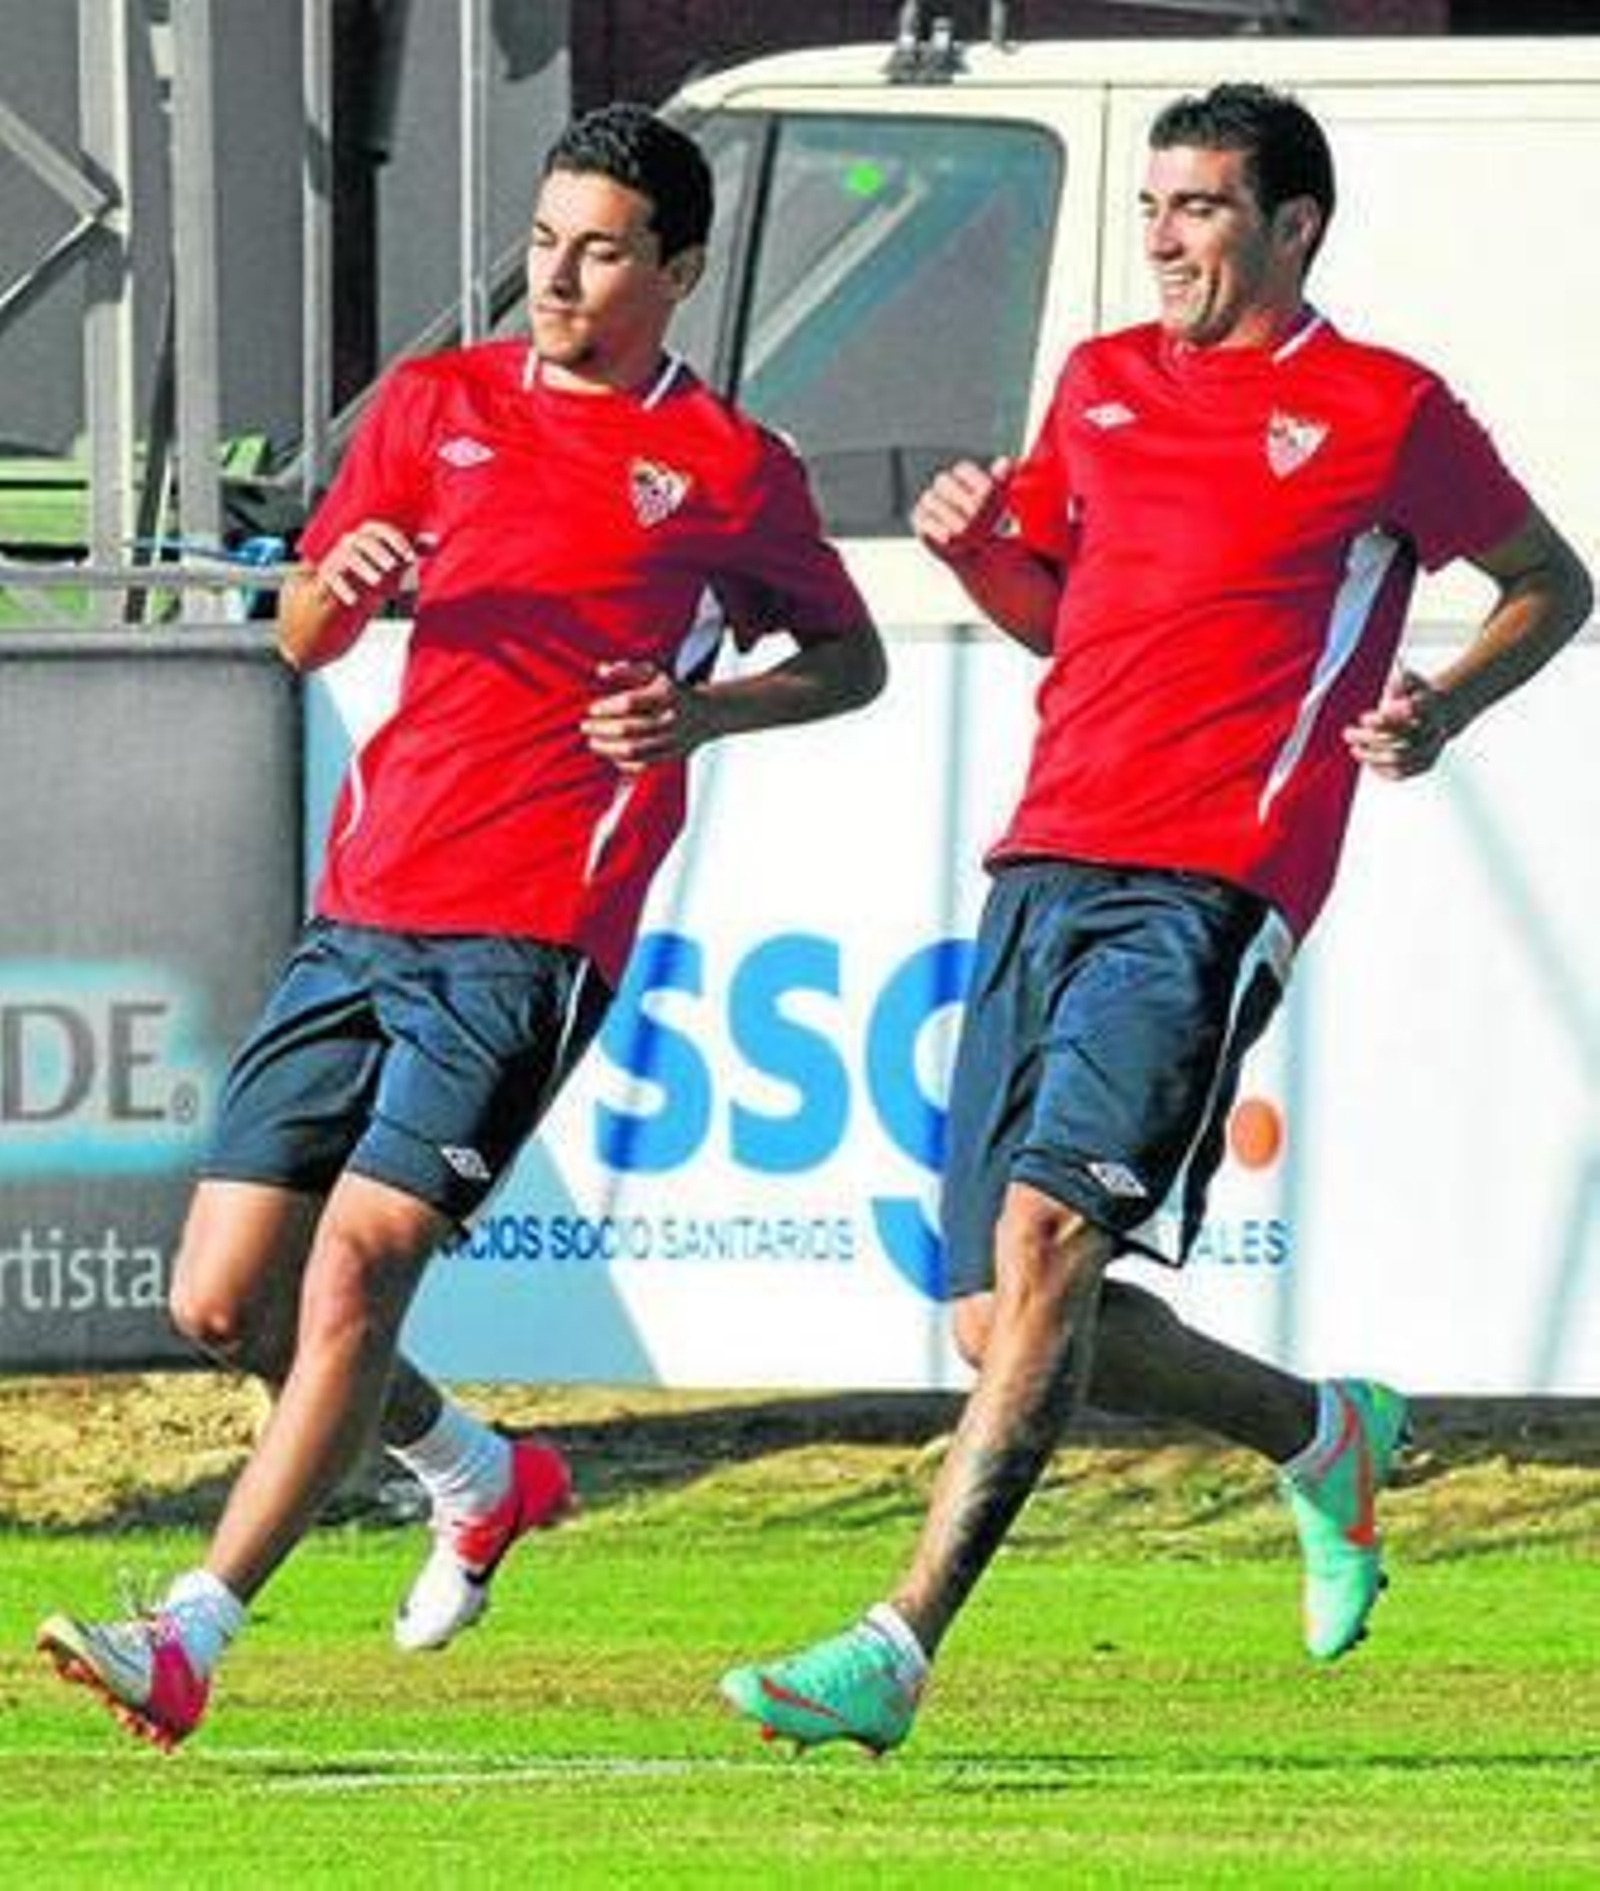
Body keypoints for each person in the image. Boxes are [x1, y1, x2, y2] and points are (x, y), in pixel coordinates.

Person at [721, 82, 1591, 1755]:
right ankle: (1317, 1433)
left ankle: (899, 1642)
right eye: (1154, 208)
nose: (1167, 239)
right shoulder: (1102, 384)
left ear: (1291, 228)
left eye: (1200, 208)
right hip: (1044, 858)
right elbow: (1068, 625)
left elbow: (1555, 579)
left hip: (1209, 883)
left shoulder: (1383, 408)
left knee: (1047, 1253)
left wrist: (1447, 707)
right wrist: (979, 556)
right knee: (997, 1313)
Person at [37, 103, 885, 1751]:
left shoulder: (726, 466)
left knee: (357, 1274)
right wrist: (336, 584)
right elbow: (296, 635)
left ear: (680, 271)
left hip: (532, 928)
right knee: (224, 1306)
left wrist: (707, 718)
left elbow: (851, 662)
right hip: (365, 905)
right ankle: (474, 1475)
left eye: (602, 248)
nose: (558, 276)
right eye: (547, 240)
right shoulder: (436, 406)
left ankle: (192, 1631)